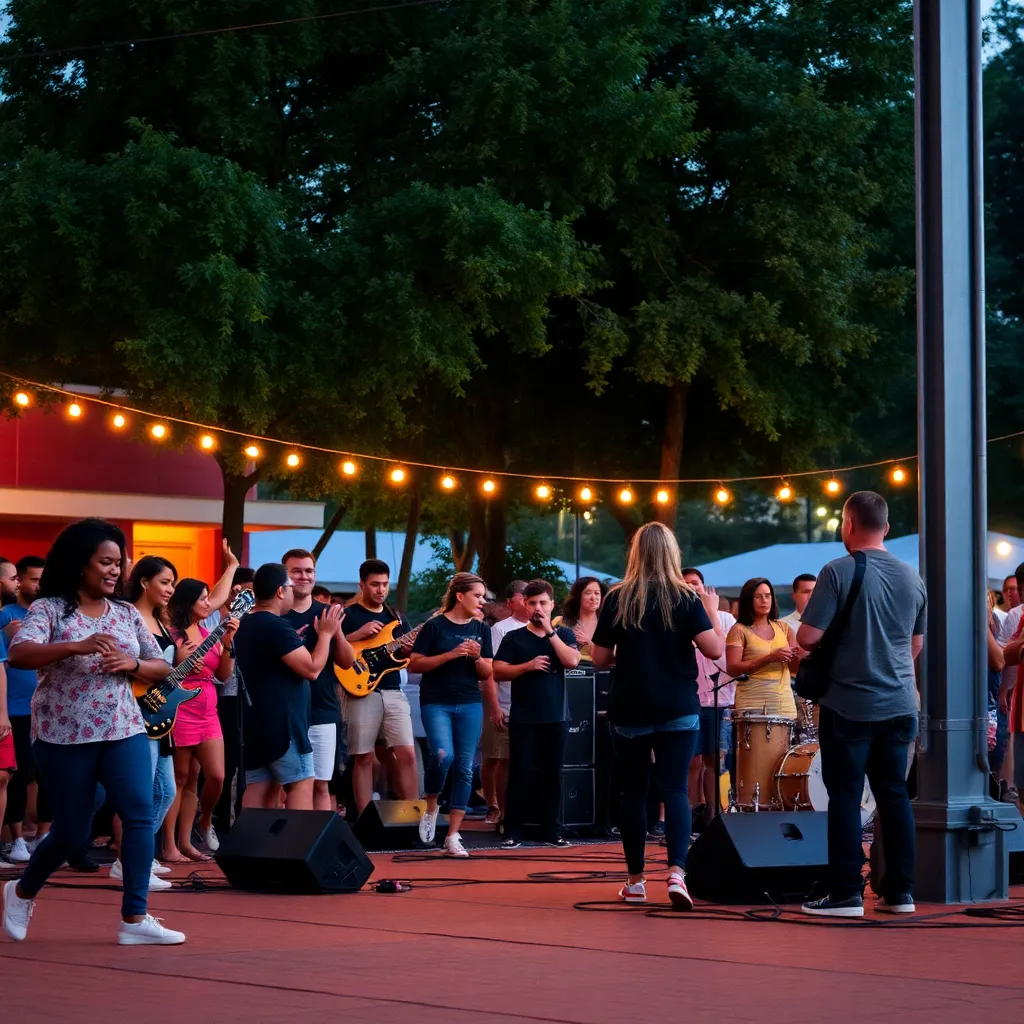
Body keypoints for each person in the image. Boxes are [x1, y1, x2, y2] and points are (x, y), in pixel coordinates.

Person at [2, 518, 185, 945]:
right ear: (79, 563)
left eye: (118, 564)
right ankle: (23, 890)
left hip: (123, 728)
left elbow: (162, 666)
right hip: (63, 735)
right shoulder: (49, 609)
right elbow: (20, 654)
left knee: (140, 813)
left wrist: (133, 664)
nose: (113, 571)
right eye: (104, 562)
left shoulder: (124, 613)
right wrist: (76, 645)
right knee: (71, 832)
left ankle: (135, 919)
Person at [796, 491, 926, 918]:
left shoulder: (837, 571)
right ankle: (900, 893)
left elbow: (807, 637)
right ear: (886, 527)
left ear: (848, 524)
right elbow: (915, 646)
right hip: (901, 703)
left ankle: (846, 894)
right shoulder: (912, 577)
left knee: (846, 797)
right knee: (894, 798)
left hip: (849, 703)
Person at [591, 522, 725, 909]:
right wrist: (711, 612)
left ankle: (635, 881)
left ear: (636, 554)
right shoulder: (685, 598)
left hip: (630, 706)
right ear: (672, 554)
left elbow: (599, 658)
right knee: (675, 789)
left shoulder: (618, 598)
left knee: (633, 792)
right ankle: (677, 873)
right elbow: (715, 650)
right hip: (678, 706)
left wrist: (633, 656)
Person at [233, 563, 343, 810]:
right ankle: (297, 847)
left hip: (255, 722)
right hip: (284, 724)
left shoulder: (244, 624)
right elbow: (312, 669)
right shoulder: (276, 625)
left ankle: (254, 847)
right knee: (301, 782)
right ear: (280, 592)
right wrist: (325, 635)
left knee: (260, 785)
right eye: (290, 587)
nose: (294, 592)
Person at [409, 572, 493, 858]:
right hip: (436, 702)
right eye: (477, 596)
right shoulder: (434, 626)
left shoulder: (481, 629)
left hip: (469, 702)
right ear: (460, 596)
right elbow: (415, 664)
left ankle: (453, 835)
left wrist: (478, 658)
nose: (482, 601)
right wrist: (453, 654)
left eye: (483, 597)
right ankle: (431, 806)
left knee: (466, 767)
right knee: (443, 754)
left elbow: (487, 672)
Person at [495, 579, 581, 848]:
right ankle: (513, 831)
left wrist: (550, 633)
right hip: (524, 718)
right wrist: (528, 666)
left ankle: (551, 831)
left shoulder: (564, 634)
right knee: (520, 774)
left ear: (552, 605)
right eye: (532, 603)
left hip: (556, 717)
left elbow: (572, 661)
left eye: (543, 602)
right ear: (524, 605)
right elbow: (497, 670)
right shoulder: (514, 637)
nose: (537, 607)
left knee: (552, 775)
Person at [164, 579, 237, 860]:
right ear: (188, 602)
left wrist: (228, 644)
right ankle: (176, 845)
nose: (209, 604)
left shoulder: (209, 633)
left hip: (208, 709)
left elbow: (223, 675)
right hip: (179, 707)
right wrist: (180, 662)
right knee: (182, 778)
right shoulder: (172, 633)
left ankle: (204, 820)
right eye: (203, 599)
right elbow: (163, 671)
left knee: (216, 775)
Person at [339, 558, 417, 816]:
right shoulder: (347, 615)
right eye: (374, 584)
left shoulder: (396, 617)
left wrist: (408, 649)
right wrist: (355, 635)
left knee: (406, 752)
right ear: (362, 584)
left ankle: (414, 816)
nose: (381, 590)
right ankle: (363, 820)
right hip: (361, 691)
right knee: (363, 756)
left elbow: (406, 657)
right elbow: (330, 649)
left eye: (384, 584)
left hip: (393, 689)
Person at [282, 549, 355, 812]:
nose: (304, 576)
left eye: (309, 571)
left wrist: (337, 635)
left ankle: (318, 846)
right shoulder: (277, 613)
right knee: (287, 784)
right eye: (297, 571)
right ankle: (288, 843)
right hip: (285, 711)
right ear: (285, 575)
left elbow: (347, 662)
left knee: (322, 784)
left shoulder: (328, 612)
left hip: (323, 709)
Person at [123, 555, 179, 885]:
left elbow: (169, 667)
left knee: (165, 791)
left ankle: (135, 856)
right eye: (165, 582)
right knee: (143, 792)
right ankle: (132, 861)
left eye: (173, 583)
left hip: (160, 715)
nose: (171, 589)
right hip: (136, 712)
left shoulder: (161, 621)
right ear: (144, 582)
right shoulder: (129, 618)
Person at [1, 555, 48, 864]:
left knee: (48, 773)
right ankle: (17, 838)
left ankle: (45, 835)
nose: (37, 584)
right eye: (32, 579)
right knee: (18, 775)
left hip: (46, 706)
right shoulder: (6, 614)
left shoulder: (48, 612)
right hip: (15, 709)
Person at [204, 567, 255, 836]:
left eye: (250, 591)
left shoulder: (254, 616)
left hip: (243, 696)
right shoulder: (209, 616)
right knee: (216, 765)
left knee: (236, 760)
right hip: (214, 696)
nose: (244, 595)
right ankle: (211, 821)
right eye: (239, 590)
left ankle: (231, 820)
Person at [682, 568, 736, 817]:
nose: (692, 588)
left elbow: (726, 662)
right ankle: (689, 814)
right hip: (690, 701)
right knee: (690, 762)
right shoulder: (677, 618)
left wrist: (712, 613)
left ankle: (714, 816)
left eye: (695, 583)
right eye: (686, 585)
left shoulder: (725, 619)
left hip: (720, 701)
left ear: (705, 588)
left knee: (716, 762)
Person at [482, 581, 528, 826]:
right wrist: (494, 706)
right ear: (511, 602)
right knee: (497, 758)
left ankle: (519, 811)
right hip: (503, 702)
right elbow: (491, 670)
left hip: (529, 707)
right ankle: (495, 806)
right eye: (524, 597)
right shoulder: (500, 629)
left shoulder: (542, 627)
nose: (529, 602)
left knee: (517, 759)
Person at [726, 579, 798, 719]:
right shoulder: (739, 630)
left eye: (767, 595)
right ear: (748, 600)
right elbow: (732, 669)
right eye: (757, 597)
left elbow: (794, 668)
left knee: (784, 742)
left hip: (784, 702)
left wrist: (798, 656)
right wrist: (769, 658)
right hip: (752, 703)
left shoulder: (784, 628)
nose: (764, 600)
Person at [555, 576, 607, 660]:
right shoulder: (560, 622)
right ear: (578, 596)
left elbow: (611, 658)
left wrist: (589, 643)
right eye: (588, 593)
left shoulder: (608, 626)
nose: (593, 598)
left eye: (597, 593)